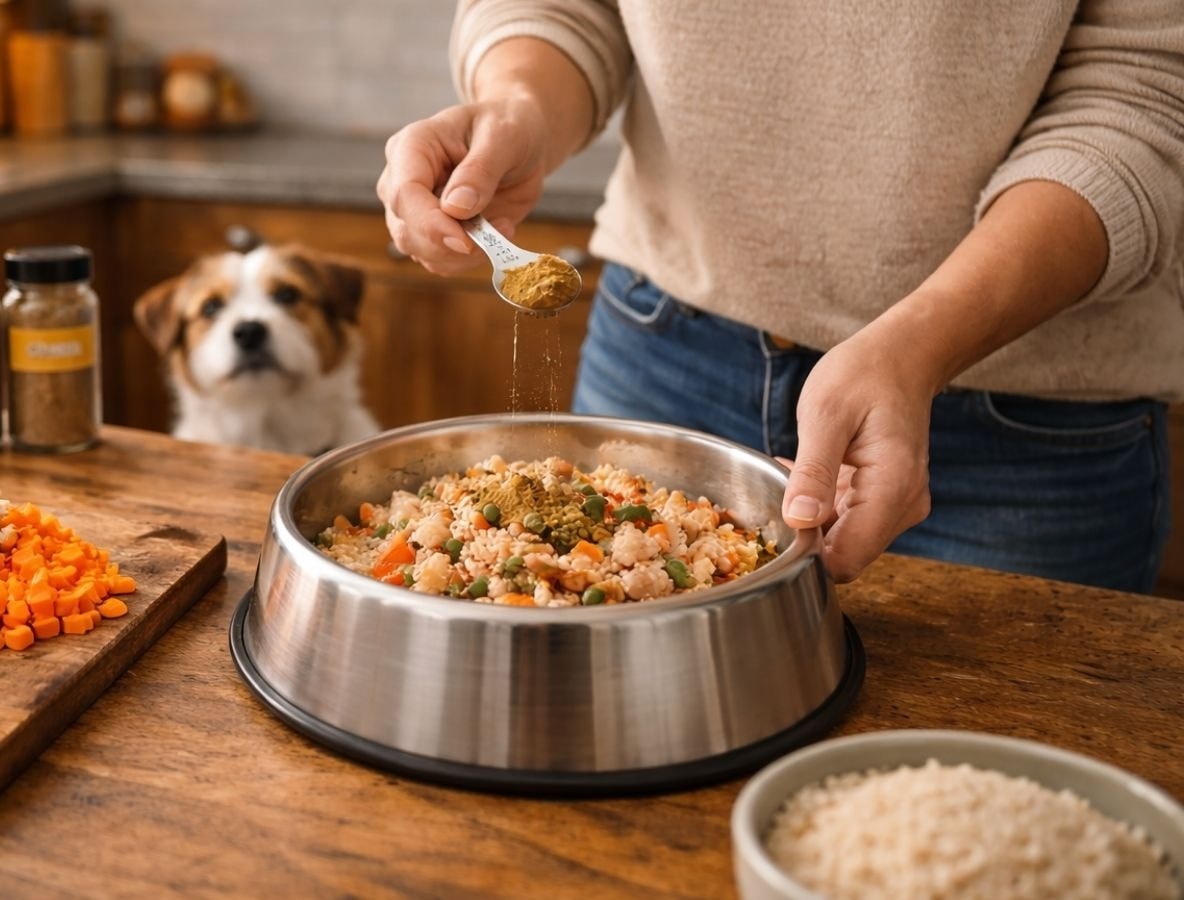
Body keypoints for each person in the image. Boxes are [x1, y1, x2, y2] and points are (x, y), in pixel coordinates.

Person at [378, 1, 1184, 592]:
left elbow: (1145, 95)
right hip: (660, 354)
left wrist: (920, 346)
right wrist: (517, 105)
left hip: (1019, 429)